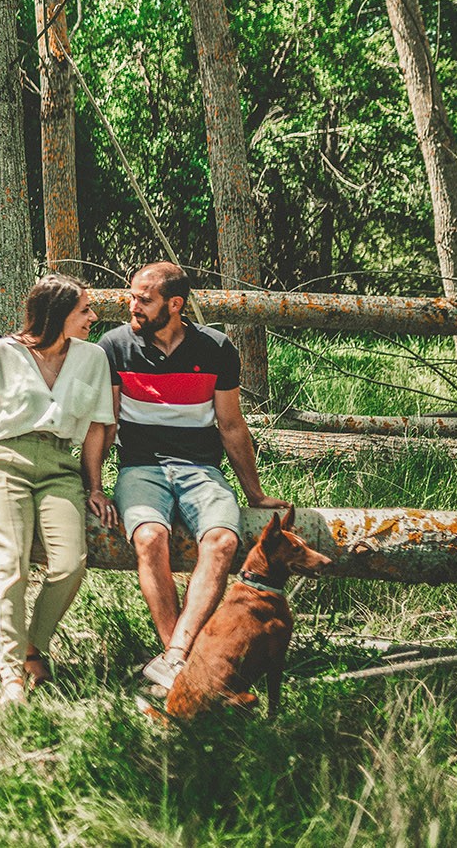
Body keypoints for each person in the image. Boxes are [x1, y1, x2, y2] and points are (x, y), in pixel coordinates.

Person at [98, 261, 289, 689]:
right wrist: (91, 486)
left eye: (143, 300)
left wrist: (254, 494)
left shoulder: (216, 348)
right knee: (149, 537)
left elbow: (232, 425)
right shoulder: (114, 346)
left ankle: (176, 654)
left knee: (223, 540)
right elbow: (105, 424)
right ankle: (178, 658)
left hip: (200, 468)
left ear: (175, 304)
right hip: (141, 466)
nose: (133, 306)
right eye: (132, 297)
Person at [0, 274, 117, 705]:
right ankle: (11, 679)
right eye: (84, 310)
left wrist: (94, 486)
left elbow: (97, 427)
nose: (93, 317)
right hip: (5, 463)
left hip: (61, 468)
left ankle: (33, 646)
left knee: (70, 563)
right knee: (11, 565)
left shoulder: (93, 357)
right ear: (59, 315)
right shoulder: (5, 353)